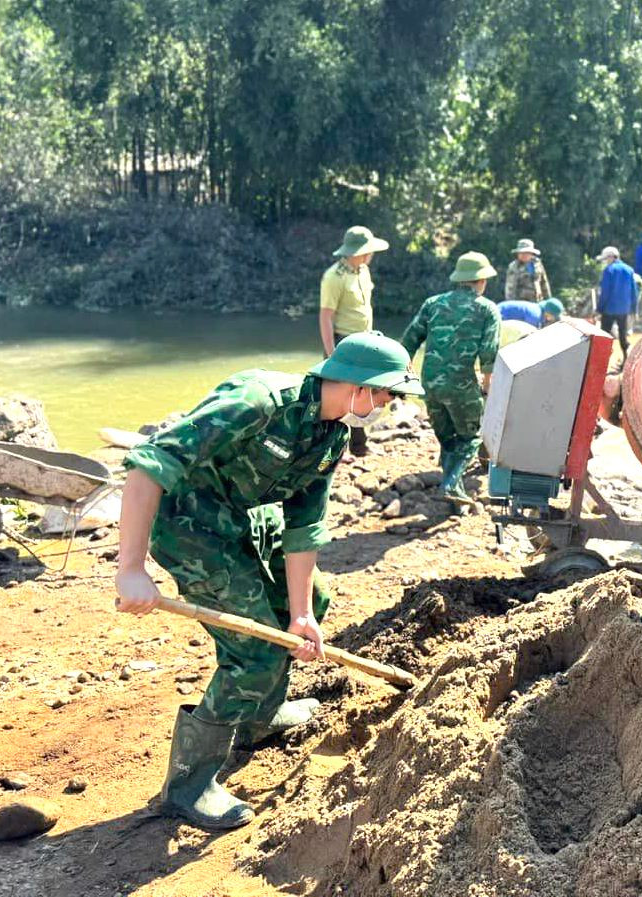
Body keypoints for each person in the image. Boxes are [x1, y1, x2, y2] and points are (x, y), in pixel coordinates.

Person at [113, 333, 423, 830]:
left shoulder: (330, 437)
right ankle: (186, 788)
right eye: (388, 393)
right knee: (255, 650)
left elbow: (304, 528)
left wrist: (301, 614)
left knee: (310, 599)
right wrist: (131, 568)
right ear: (361, 386)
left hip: (245, 519)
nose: (388, 404)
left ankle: (261, 715)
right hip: (190, 526)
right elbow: (151, 462)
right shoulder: (258, 401)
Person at [401, 251, 501, 504]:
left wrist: (403, 378)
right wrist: (487, 387)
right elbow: (489, 353)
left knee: (447, 437)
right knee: (471, 437)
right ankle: (451, 484)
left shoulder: (432, 303)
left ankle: (452, 488)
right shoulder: (487, 309)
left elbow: (408, 342)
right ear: (481, 281)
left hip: (429, 383)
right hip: (461, 385)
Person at [318, 225, 390, 456]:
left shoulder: (363, 271)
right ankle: (329, 451)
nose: (372, 255)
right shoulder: (334, 277)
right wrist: (331, 354)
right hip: (343, 343)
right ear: (360, 251)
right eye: (370, 251)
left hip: (363, 341)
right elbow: (326, 316)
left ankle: (358, 447)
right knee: (337, 398)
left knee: (362, 393)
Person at [595, 245, 638, 363]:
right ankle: (626, 359)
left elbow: (605, 292)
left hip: (609, 309)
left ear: (611, 257)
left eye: (605, 259)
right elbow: (634, 291)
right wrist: (634, 309)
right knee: (623, 334)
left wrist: (599, 308)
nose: (605, 262)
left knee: (604, 335)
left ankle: (602, 361)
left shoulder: (609, 270)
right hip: (624, 309)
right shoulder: (629, 270)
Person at [504, 238, 552, 304]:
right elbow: (510, 289)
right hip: (521, 303)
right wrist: (511, 304)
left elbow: (544, 283)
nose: (524, 255)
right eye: (521, 253)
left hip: (538, 301)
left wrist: (548, 300)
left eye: (527, 253)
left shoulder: (537, 264)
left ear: (531, 253)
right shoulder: (514, 267)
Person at [497, 297, 564, 328]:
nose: (553, 320)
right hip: (500, 316)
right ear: (549, 314)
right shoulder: (535, 316)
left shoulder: (538, 309)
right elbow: (528, 334)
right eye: (554, 317)